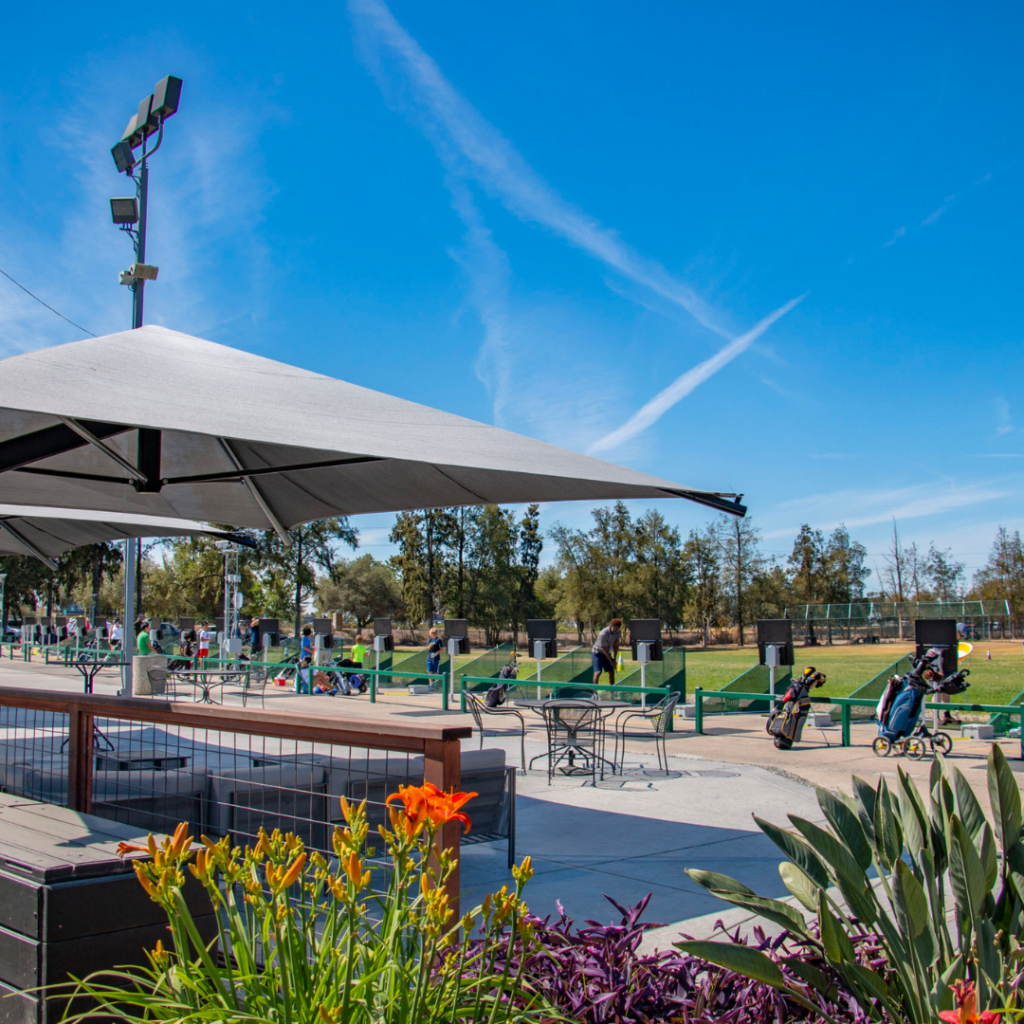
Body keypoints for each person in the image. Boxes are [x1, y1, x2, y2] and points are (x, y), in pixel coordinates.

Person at [592, 618, 622, 687]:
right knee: (598, 672)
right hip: (597, 653)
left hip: (607, 653)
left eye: (617, 629)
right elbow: (605, 650)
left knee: (611, 672)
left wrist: (614, 659)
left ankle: (612, 692)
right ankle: (595, 694)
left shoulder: (618, 632)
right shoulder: (603, 634)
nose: (616, 631)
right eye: (615, 629)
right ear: (611, 626)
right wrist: (612, 662)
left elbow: (616, 645)